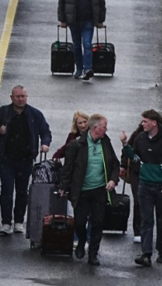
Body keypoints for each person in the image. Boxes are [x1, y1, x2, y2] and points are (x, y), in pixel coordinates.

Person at [0, 86, 52, 235]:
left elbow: (45, 131)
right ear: (11, 98)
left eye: (23, 96)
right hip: (6, 159)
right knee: (7, 189)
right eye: (18, 96)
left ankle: (18, 221)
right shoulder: (3, 112)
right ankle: (5, 222)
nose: (21, 99)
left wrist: (45, 144)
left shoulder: (34, 114)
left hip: (25, 159)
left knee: (22, 191)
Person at [121, 110, 162, 266]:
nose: (142, 124)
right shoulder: (140, 138)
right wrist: (126, 145)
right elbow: (135, 157)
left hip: (161, 187)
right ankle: (146, 254)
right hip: (145, 185)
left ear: (154, 123)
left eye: (145, 121)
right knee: (146, 220)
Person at [58, 114, 119, 266]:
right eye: (104, 126)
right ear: (95, 128)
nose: (106, 129)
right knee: (79, 222)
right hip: (81, 191)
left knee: (98, 223)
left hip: (99, 190)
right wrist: (63, 188)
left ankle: (93, 254)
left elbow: (115, 164)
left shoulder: (106, 142)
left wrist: (112, 179)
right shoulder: (76, 145)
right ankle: (82, 240)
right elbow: (68, 169)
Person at [58, 0, 107, 80]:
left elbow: (101, 4)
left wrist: (100, 21)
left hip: (88, 21)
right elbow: (61, 2)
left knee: (87, 44)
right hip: (73, 21)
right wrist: (62, 20)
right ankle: (79, 69)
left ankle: (87, 69)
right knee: (76, 46)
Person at [120, 123, 144, 242]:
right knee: (139, 200)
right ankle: (138, 231)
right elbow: (127, 150)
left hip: (153, 174)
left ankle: (146, 229)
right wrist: (123, 165)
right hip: (136, 172)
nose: (143, 124)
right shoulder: (137, 135)